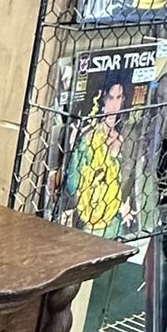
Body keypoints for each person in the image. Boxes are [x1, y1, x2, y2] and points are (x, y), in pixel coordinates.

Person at [64, 71, 134, 237]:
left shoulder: (126, 140)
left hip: (115, 224)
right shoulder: (88, 138)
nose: (114, 106)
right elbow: (73, 183)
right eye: (110, 98)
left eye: (119, 98)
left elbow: (129, 183)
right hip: (89, 225)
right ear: (102, 100)